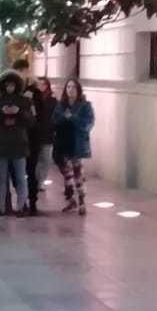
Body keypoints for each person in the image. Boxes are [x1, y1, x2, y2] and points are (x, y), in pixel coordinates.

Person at [0, 71, 33, 216]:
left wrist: (19, 112)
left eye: (12, 85)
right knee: (1, 179)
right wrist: (1, 112)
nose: (10, 88)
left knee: (20, 177)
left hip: (19, 144)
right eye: (7, 85)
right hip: (1, 144)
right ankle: (0, 208)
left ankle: (21, 206)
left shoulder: (24, 102)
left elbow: (31, 121)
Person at [52, 79, 94, 215]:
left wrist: (73, 118)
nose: (70, 90)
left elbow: (87, 124)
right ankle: (70, 199)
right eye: (68, 87)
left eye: (73, 87)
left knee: (78, 173)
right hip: (62, 143)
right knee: (67, 174)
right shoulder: (61, 105)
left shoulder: (85, 106)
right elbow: (54, 121)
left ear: (78, 90)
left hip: (77, 144)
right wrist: (64, 118)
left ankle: (82, 202)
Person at [24, 75, 55, 214]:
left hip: (43, 136)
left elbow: (44, 118)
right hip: (27, 138)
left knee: (44, 161)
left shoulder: (49, 100)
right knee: (29, 168)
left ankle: (35, 191)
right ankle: (28, 199)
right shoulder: (26, 96)